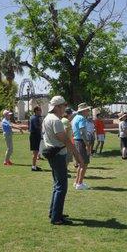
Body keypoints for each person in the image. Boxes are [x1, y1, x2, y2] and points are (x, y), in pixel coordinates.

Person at [43, 96, 85, 225]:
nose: (64, 109)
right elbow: (65, 140)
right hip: (58, 155)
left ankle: (54, 212)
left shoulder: (47, 118)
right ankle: (56, 218)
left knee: (57, 185)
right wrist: (78, 157)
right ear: (57, 106)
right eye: (63, 106)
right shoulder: (56, 120)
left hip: (52, 153)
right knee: (61, 186)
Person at [71, 103, 91, 190]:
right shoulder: (82, 118)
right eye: (87, 110)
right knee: (84, 164)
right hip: (80, 142)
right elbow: (82, 132)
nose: (88, 111)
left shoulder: (75, 117)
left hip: (76, 141)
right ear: (83, 111)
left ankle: (77, 182)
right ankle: (80, 183)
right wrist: (87, 145)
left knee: (80, 164)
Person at [29, 106, 43, 171]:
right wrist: (42, 125)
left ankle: (34, 166)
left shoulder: (33, 117)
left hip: (35, 136)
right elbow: (37, 127)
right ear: (36, 111)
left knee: (36, 152)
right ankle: (33, 167)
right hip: (35, 136)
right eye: (40, 110)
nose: (41, 111)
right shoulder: (35, 118)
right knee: (35, 153)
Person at [61, 108, 75, 172]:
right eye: (71, 114)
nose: (72, 115)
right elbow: (65, 131)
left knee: (66, 157)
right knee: (67, 158)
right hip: (67, 142)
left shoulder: (63, 120)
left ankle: (64, 169)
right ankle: (64, 170)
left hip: (65, 142)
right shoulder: (66, 121)